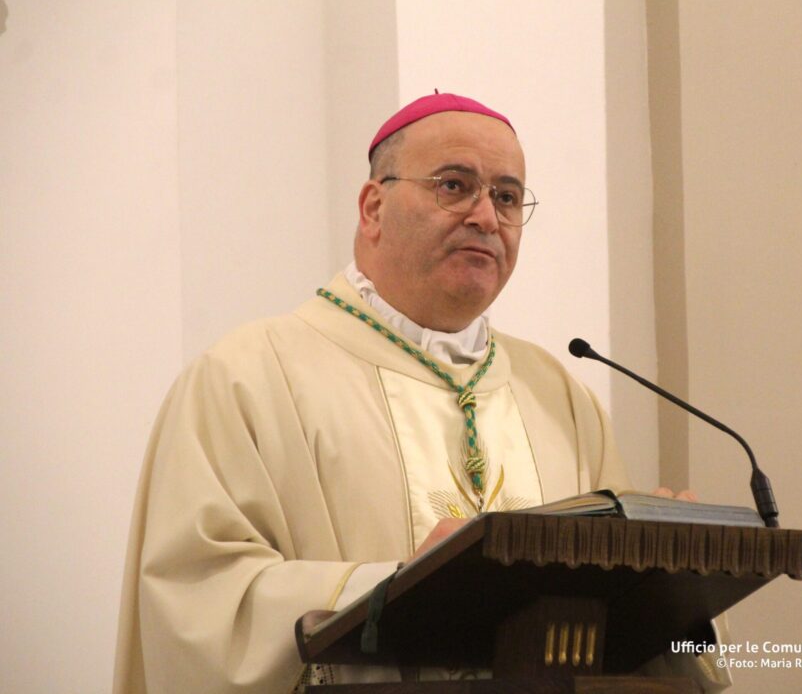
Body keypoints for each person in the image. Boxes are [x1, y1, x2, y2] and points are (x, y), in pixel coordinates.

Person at [112, 92, 731, 693]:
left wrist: (665, 580)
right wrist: (399, 586)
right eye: (454, 185)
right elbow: (198, 604)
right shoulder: (246, 376)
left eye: (507, 197)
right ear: (373, 209)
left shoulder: (558, 394)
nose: (486, 217)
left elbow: (608, 624)